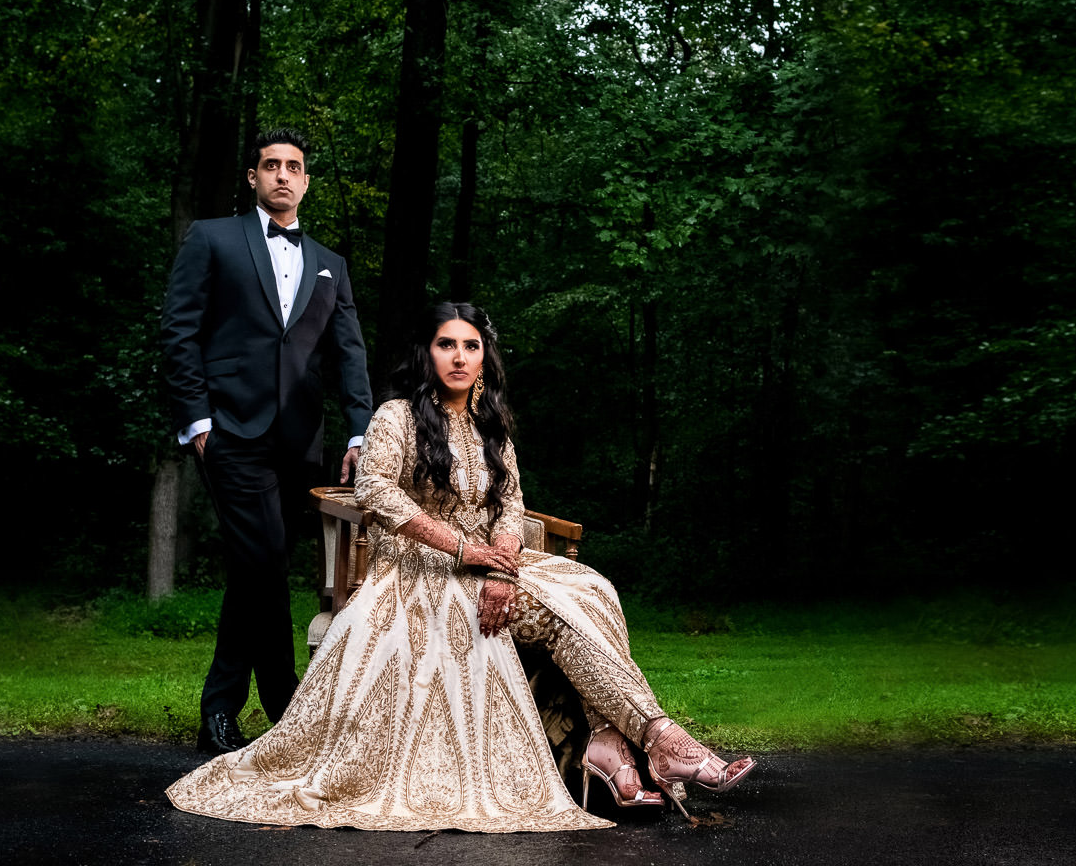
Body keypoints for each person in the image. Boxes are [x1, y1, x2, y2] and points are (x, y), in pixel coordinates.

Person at [166, 302, 754, 831]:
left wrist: (499, 569)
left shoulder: (490, 423)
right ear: (426, 353)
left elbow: (510, 502)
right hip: (417, 571)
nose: (459, 357)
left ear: (483, 357)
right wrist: (462, 550)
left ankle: (621, 741)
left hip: (488, 563)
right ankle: (656, 741)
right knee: (558, 613)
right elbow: (375, 491)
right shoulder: (396, 416)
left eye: (471, 346)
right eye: (446, 344)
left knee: (590, 588)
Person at [159, 128, 372, 755]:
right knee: (267, 560)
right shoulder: (212, 238)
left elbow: (349, 354)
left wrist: (359, 430)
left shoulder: (331, 263)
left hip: (299, 442)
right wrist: (198, 421)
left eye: (294, 166)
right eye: (271, 165)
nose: (283, 174)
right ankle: (286, 708)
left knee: (256, 567)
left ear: (305, 181)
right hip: (230, 431)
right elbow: (179, 331)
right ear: (253, 177)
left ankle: (220, 709)